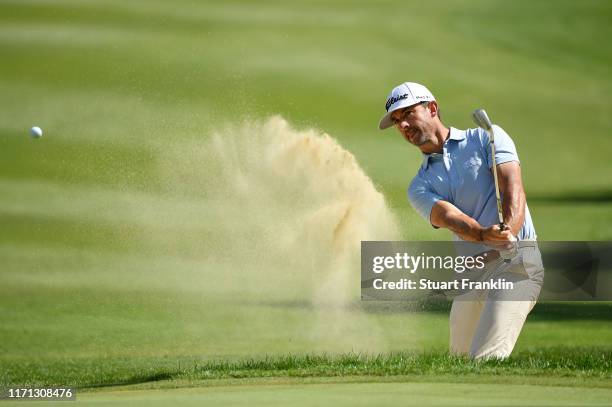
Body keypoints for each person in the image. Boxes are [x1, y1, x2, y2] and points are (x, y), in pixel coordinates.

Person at [378, 82, 544, 359]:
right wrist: (482, 234)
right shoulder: (419, 186)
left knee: (486, 358)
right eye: (397, 120)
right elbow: (451, 218)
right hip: (473, 274)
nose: (403, 125)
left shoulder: (487, 138)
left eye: (408, 114)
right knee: (458, 363)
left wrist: (509, 232)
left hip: (517, 264)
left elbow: (512, 188)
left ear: (432, 108)